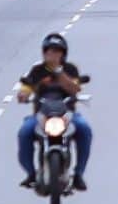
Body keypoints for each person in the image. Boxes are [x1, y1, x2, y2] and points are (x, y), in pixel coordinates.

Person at [16, 31, 92, 190]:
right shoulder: (37, 70)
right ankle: (31, 173)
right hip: (42, 115)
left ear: (63, 53)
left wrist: (58, 71)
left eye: (57, 51)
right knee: (25, 131)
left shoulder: (70, 69)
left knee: (84, 128)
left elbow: (74, 89)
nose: (53, 54)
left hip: (67, 114)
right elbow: (26, 88)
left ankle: (78, 174)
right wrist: (23, 95)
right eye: (49, 51)